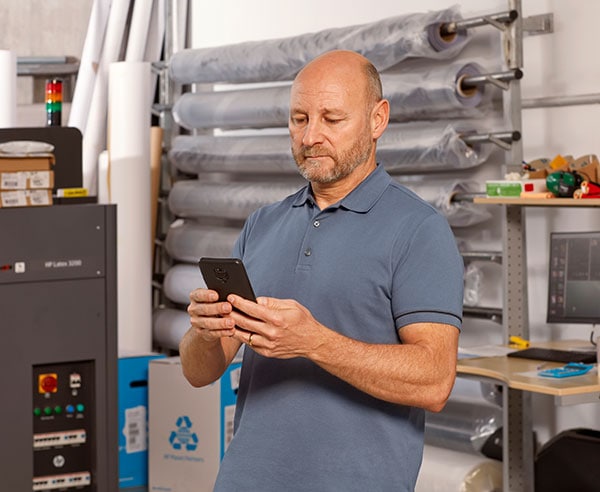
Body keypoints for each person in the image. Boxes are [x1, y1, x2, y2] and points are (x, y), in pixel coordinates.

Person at [180, 49, 463, 491]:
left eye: (332, 119)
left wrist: (315, 342)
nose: (311, 136)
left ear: (377, 120)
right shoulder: (262, 224)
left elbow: (434, 380)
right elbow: (199, 372)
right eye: (299, 119)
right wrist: (204, 332)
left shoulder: (418, 230)